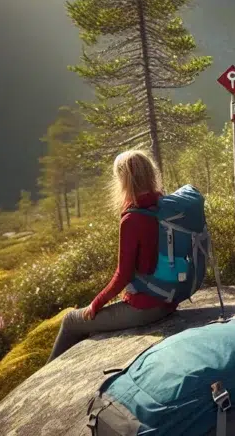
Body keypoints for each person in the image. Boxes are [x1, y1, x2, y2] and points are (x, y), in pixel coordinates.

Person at [48, 150, 178, 362]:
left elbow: (124, 274)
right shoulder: (164, 205)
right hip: (170, 298)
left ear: (124, 180)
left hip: (147, 307)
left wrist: (95, 304)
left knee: (71, 321)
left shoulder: (132, 218)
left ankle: (45, 382)